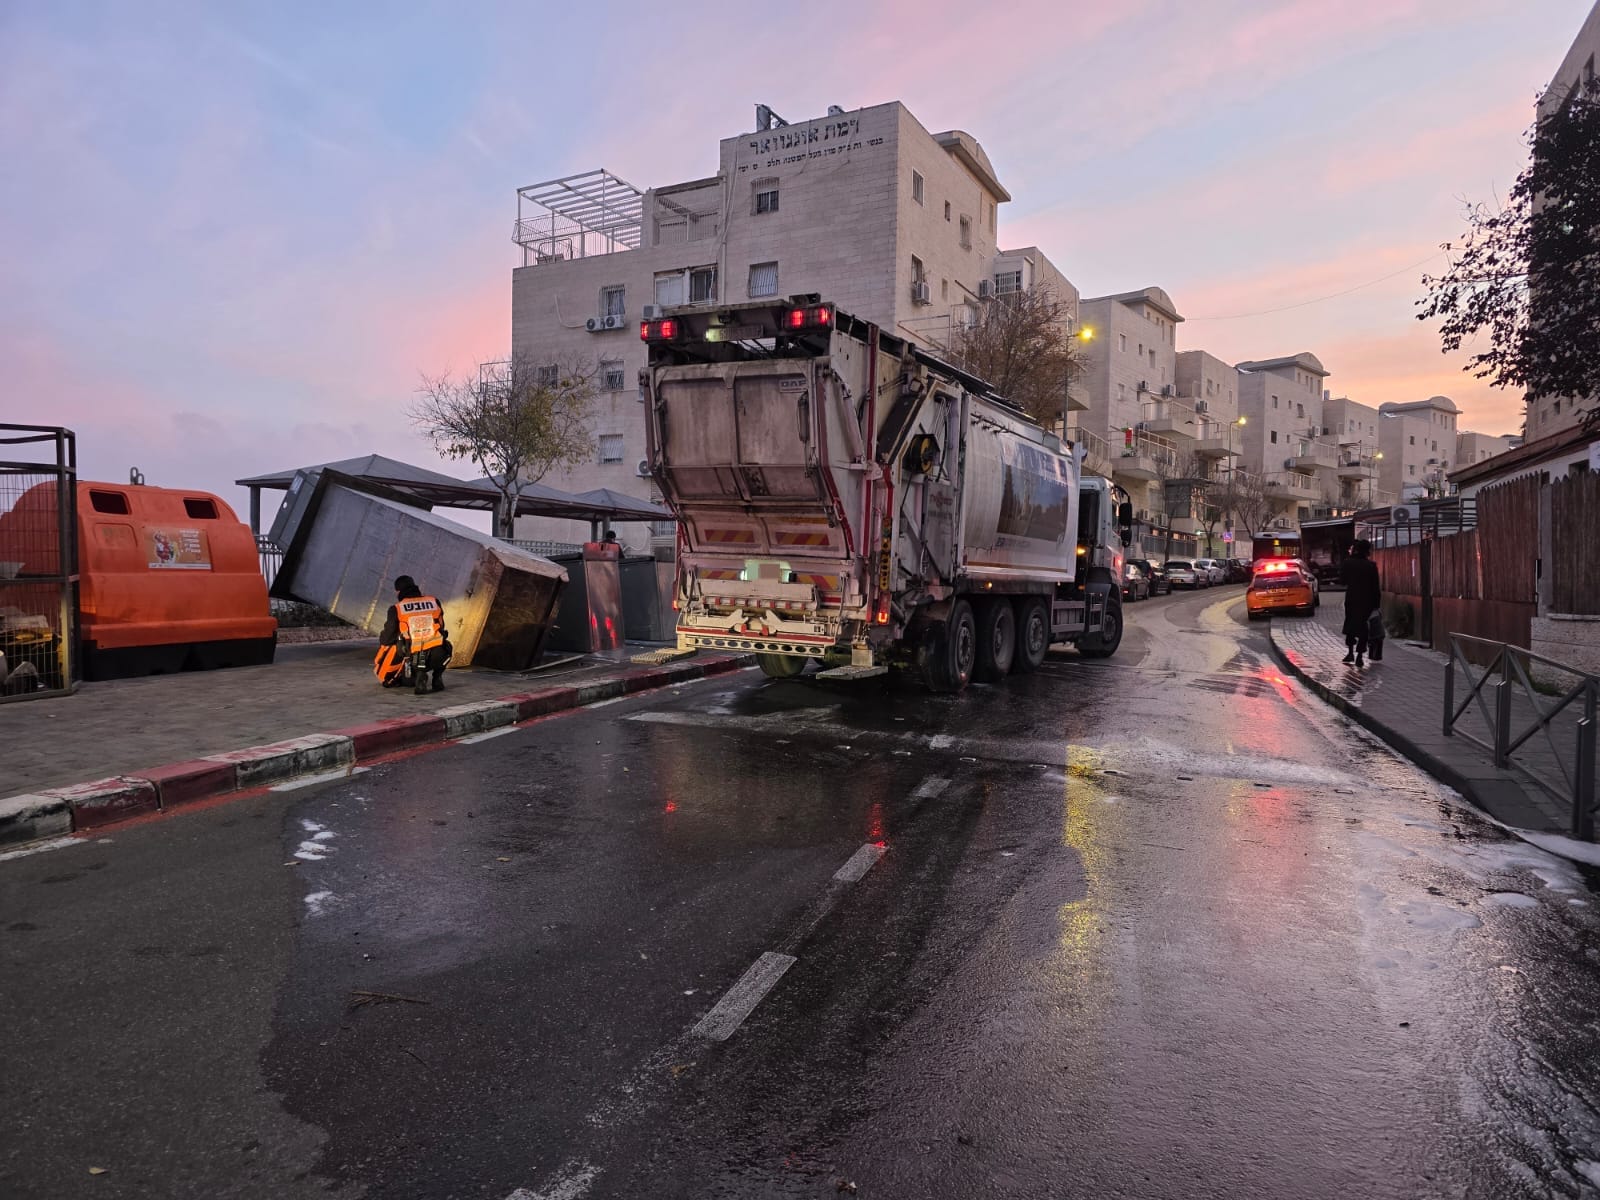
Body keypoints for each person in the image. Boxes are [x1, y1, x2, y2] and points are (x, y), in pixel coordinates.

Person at [378, 575, 452, 695]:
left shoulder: (397, 608)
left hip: (415, 657)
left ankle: (420, 674)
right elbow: (441, 626)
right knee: (447, 646)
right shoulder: (434, 601)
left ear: (398, 591)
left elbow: (387, 638)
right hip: (439, 654)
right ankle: (437, 677)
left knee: (405, 651)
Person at [1341, 539, 1382, 667]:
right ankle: (1359, 656)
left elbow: (1342, 580)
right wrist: (1376, 605)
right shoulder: (1371, 566)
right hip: (1367, 601)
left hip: (1352, 599)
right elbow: (1376, 587)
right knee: (1364, 628)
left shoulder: (1348, 563)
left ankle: (1350, 653)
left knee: (1350, 625)